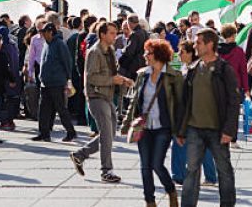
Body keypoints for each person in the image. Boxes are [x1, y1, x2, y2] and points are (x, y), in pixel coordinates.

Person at [178, 28, 239, 207]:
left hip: (218, 130)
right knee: (191, 171)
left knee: (224, 171)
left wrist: (229, 130)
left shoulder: (224, 69)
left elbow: (234, 102)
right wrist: (181, 130)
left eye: (198, 42)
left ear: (210, 44)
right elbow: (185, 102)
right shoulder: (192, 69)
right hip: (194, 129)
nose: (195, 45)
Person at [121, 39, 183, 207]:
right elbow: (134, 102)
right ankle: (150, 201)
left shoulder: (173, 76)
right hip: (144, 127)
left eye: (148, 53)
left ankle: (171, 190)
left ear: (158, 55)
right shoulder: (142, 74)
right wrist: (126, 124)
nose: (145, 56)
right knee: (145, 167)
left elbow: (179, 105)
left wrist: (180, 130)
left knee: (157, 164)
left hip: (164, 126)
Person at [70, 22, 133, 183]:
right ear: (102, 35)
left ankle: (80, 154)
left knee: (110, 135)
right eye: (112, 33)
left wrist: (122, 80)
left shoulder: (110, 50)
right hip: (96, 97)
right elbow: (91, 78)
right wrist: (113, 79)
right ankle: (106, 171)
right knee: (106, 134)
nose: (115, 35)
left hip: (108, 96)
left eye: (115, 32)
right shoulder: (95, 52)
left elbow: (112, 74)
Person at [170, 40, 218, 186]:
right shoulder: (189, 68)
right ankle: (210, 176)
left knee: (180, 143)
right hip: (197, 114)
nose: (179, 54)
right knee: (202, 146)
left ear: (191, 53)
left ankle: (179, 175)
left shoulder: (193, 70)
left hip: (191, 114)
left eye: (182, 52)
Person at [33, 23, 76, 142]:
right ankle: (44, 133)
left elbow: (67, 62)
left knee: (61, 108)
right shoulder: (46, 44)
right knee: (43, 109)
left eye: (44, 32)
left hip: (57, 82)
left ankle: (71, 132)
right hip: (45, 82)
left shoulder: (60, 44)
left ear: (51, 32)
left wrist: (68, 80)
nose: (42, 35)